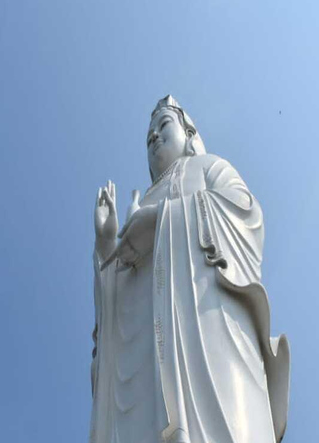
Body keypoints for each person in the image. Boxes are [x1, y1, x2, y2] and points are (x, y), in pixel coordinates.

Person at [91, 96, 290, 443]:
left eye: (163, 125)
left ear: (188, 132)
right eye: (148, 134)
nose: (153, 136)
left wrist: (160, 220)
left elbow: (247, 215)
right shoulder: (140, 204)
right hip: (145, 366)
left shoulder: (209, 167)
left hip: (206, 331)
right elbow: (113, 320)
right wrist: (107, 246)